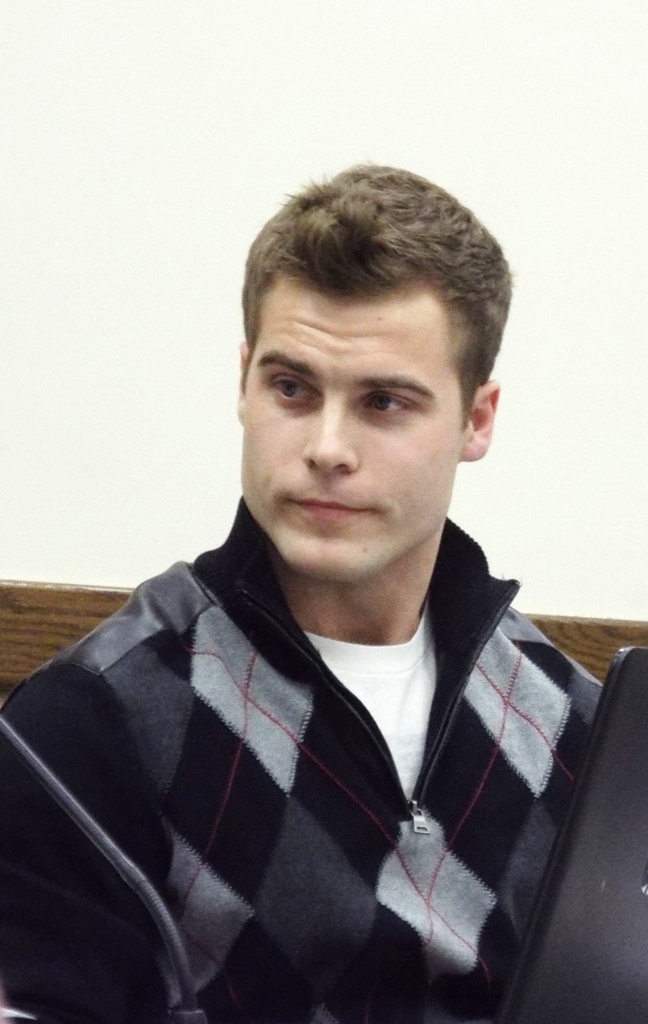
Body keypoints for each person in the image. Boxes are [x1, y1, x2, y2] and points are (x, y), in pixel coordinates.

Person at [0, 165, 600, 1024]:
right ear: (244, 382)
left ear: (477, 419)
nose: (326, 447)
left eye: (383, 402)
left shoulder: (573, 722)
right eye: (292, 389)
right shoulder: (87, 724)